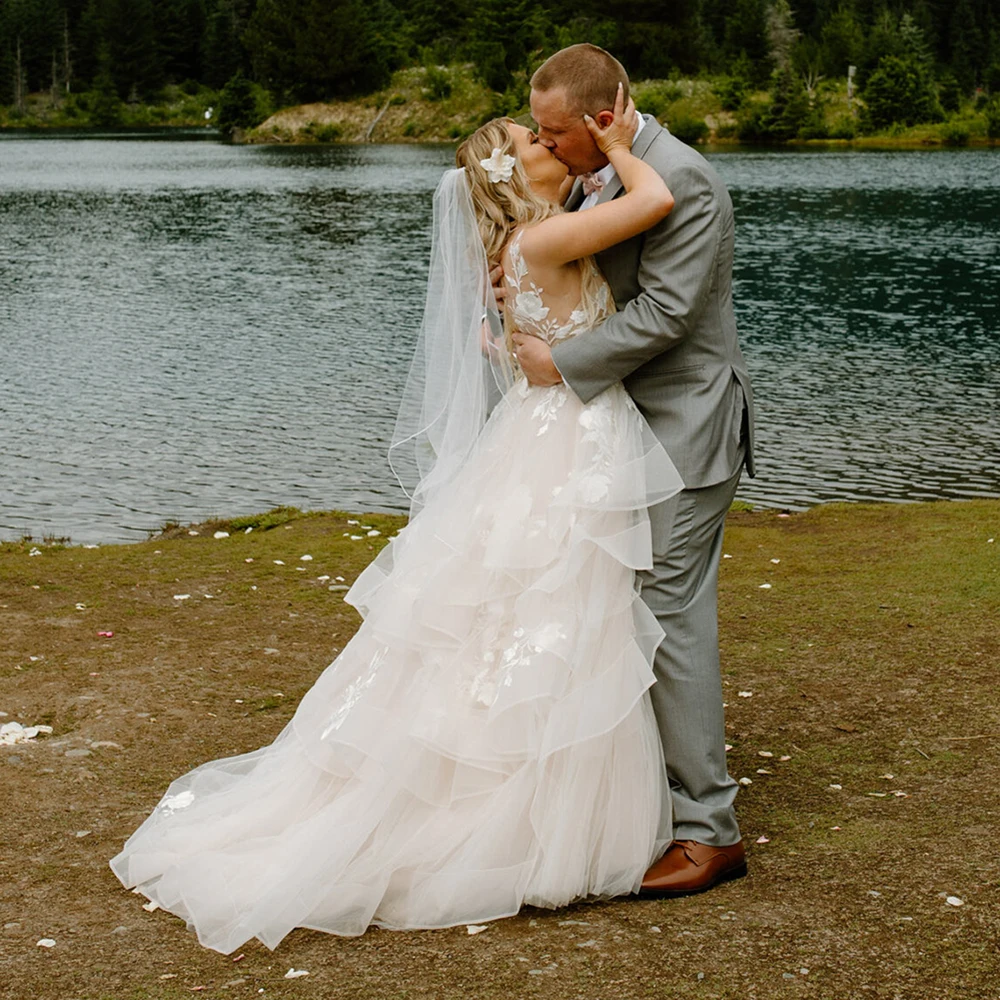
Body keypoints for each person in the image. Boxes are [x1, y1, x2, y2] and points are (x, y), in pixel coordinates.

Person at [109, 90, 687, 955]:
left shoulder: (513, 249)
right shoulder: (543, 238)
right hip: (566, 439)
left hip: (537, 433)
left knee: (526, 610)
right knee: (561, 607)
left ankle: (516, 789)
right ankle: (532, 816)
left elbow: (511, 336)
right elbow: (656, 203)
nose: (549, 144)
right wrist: (619, 135)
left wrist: (522, 337)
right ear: (512, 172)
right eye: (535, 141)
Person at [511, 43, 756, 897]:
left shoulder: (680, 179)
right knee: (618, 599)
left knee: (667, 609)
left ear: (602, 118)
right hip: (620, 430)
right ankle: (646, 798)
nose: (544, 146)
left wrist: (560, 364)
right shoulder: (602, 171)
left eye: (553, 132)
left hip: (684, 427)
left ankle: (709, 830)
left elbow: (667, 313)